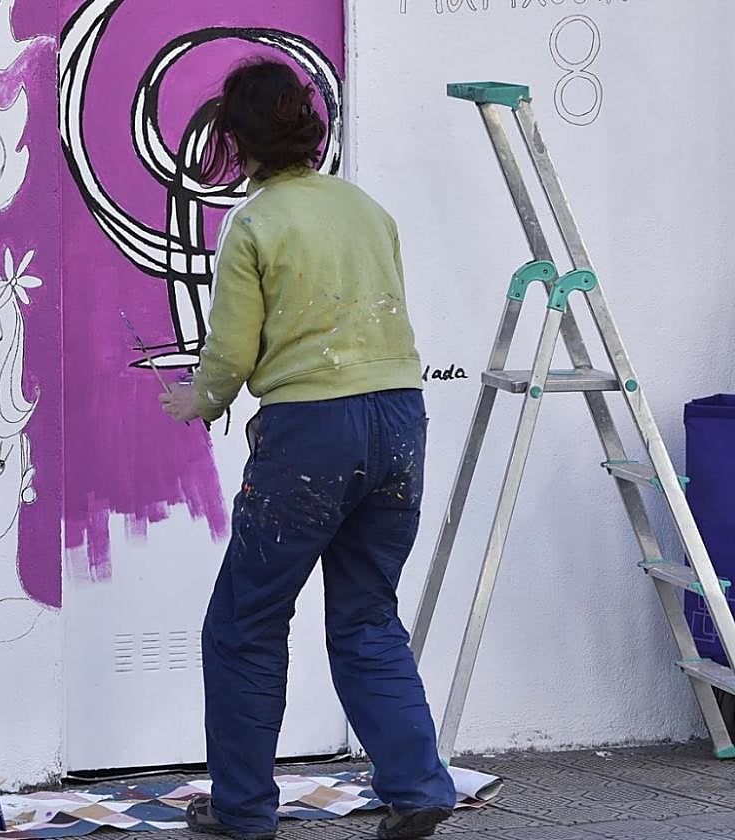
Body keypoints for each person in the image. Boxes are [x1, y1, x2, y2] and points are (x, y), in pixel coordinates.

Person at [158, 59, 456, 840]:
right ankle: (420, 786)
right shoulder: (367, 208)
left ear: (237, 139)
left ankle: (244, 812)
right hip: (400, 420)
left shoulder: (254, 223)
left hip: (312, 437)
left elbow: (231, 351)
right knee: (365, 616)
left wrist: (202, 398)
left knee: (245, 622)